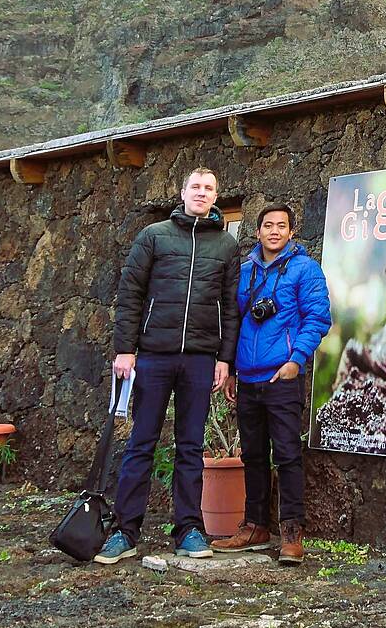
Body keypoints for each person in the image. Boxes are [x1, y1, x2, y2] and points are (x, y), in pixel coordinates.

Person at [94, 167, 241, 564]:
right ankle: (125, 531)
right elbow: (131, 294)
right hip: (154, 356)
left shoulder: (227, 245)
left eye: (209, 188)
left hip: (200, 359)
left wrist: (225, 359)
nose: (202, 193)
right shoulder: (154, 236)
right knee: (141, 443)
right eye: (196, 186)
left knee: (191, 447)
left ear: (216, 197)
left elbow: (231, 307)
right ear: (183, 192)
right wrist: (125, 350)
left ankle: (189, 530)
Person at [212, 203, 331, 564]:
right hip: (248, 378)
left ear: (291, 232)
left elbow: (318, 318)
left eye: (281, 226)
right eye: (268, 225)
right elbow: (233, 320)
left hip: (282, 376)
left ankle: (292, 532)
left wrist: (296, 360)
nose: (274, 231)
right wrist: (232, 369)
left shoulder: (305, 269)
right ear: (258, 231)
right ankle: (255, 526)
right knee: (252, 455)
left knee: (288, 454)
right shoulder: (245, 271)